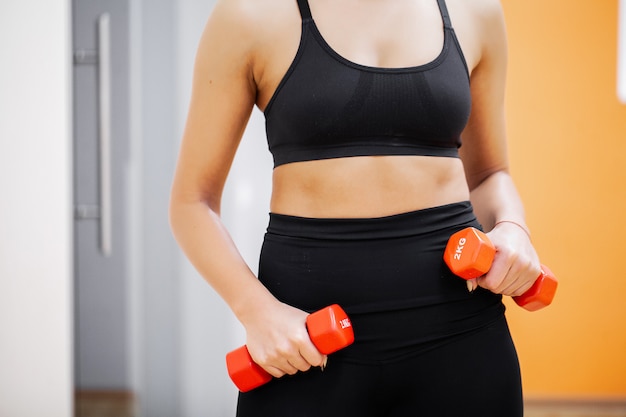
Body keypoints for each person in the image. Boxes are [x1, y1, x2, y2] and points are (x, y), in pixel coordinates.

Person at [169, 0, 542, 415]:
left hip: (460, 328)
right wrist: (257, 312)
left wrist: (513, 228)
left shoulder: (474, 10)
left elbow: (490, 174)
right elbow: (192, 202)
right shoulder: (250, 14)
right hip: (307, 343)